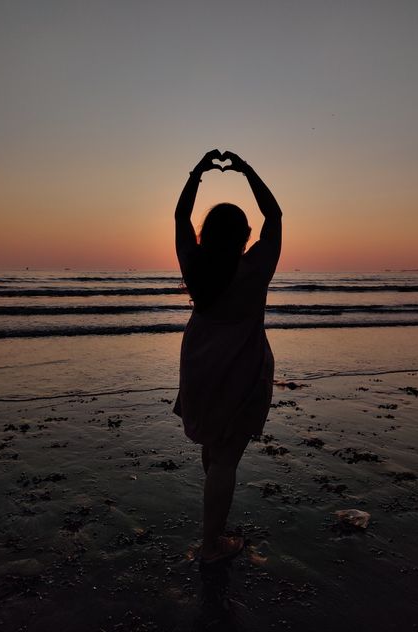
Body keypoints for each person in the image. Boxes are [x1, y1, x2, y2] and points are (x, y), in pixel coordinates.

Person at [173, 149, 282, 564]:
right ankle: (210, 545)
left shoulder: (195, 265)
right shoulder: (255, 268)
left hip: (199, 364)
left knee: (213, 448)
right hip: (243, 367)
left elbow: (180, 219)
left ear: (206, 235)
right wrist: (248, 170)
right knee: (226, 460)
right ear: (244, 235)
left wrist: (197, 173)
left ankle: (213, 530)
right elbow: (274, 218)